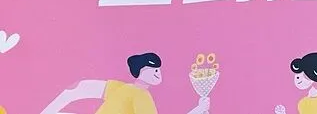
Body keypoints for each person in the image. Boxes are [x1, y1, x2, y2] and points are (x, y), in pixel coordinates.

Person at [40, 53, 209, 114]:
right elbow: (79, 88)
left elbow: (78, 87)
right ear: (139, 71)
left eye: (158, 69)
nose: (157, 72)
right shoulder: (139, 95)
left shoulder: (123, 88)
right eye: (151, 69)